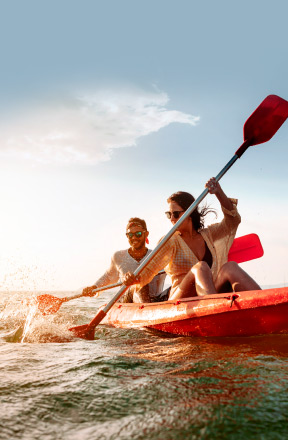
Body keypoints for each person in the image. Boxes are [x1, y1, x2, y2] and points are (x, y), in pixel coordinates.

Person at [123, 178, 261, 300]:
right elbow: (148, 270)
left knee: (230, 267)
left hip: (210, 292)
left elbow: (233, 220)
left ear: (189, 213)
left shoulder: (209, 234)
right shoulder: (170, 241)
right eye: (169, 214)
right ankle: (212, 309)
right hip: (180, 298)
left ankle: (263, 302)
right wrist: (130, 278)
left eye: (176, 214)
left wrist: (218, 192)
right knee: (200, 267)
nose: (172, 219)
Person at [82, 217, 166, 303]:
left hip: (155, 300)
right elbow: (108, 277)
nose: (134, 238)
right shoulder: (119, 257)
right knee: (139, 285)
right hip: (128, 301)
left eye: (138, 234)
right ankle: (146, 310)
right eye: (130, 235)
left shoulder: (158, 256)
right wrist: (94, 288)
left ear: (146, 234)